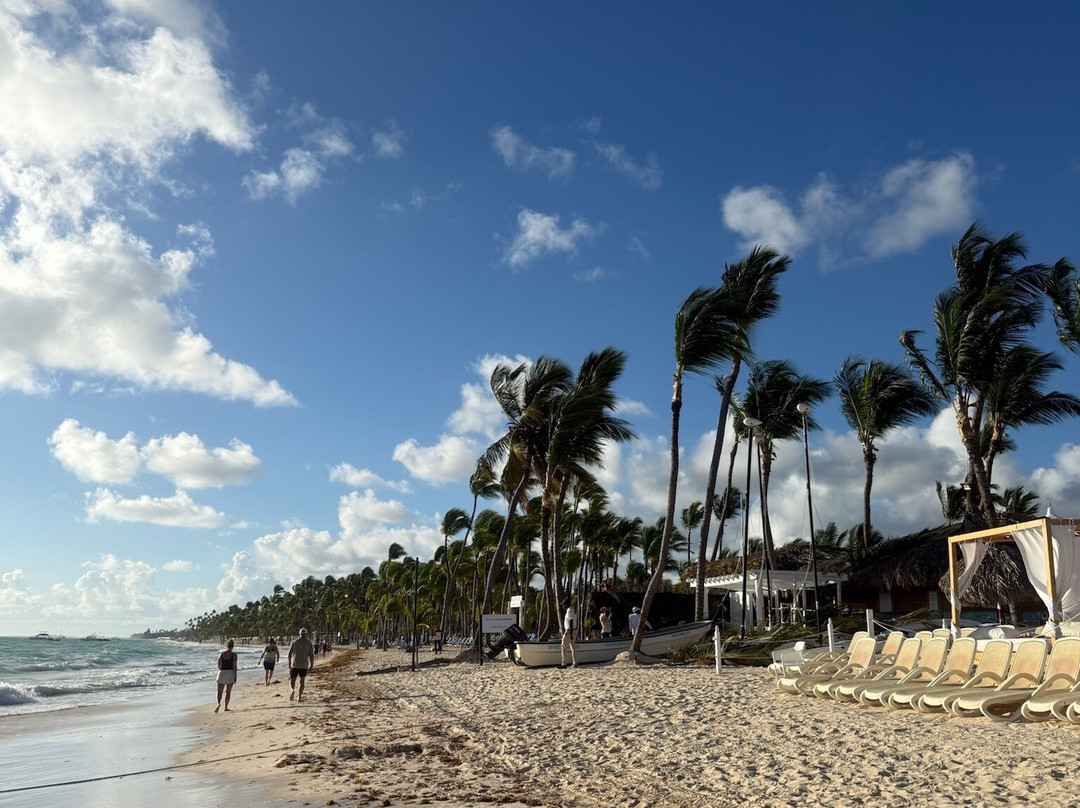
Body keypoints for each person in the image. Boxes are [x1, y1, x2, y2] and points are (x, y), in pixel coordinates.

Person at [288, 628, 316, 702]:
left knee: (292, 681)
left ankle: (292, 690)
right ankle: (299, 697)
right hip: (303, 666)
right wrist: (312, 666)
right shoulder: (309, 643)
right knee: (302, 682)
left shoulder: (294, 642)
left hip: (294, 665)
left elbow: (289, 654)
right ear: (306, 634)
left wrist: (289, 663)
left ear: (299, 634)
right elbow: (311, 655)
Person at [215, 638, 237, 712]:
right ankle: (226, 707)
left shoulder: (221, 654)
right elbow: (234, 666)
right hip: (230, 672)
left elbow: (219, 664)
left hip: (222, 673)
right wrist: (235, 676)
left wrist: (221, 670)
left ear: (227, 645)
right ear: (233, 646)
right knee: (228, 692)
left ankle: (218, 703)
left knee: (219, 691)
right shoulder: (234, 655)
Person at [560, 600, 577, 668]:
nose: (563, 606)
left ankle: (564, 663)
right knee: (573, 647)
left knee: (563, 646)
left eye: (563, 604)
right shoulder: (572, 610)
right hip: (574, 630)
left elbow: (571, 620)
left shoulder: (569, 611)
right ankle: (575, 662)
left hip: (569, 630)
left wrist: (570, 633)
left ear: (566, 604)